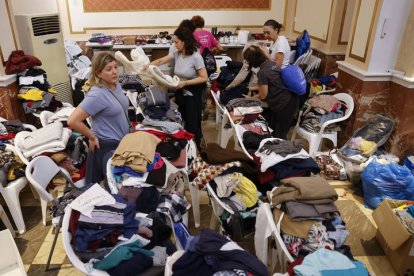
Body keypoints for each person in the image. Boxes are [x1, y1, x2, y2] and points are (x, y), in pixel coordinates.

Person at [68, 52, 130, 185]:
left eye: (115, 67)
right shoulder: (97, 94)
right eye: (109, 69)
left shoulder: (115, 85)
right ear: (98, 73)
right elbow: (73, 120)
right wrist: (91, 136)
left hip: (121, 143)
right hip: (107, 146)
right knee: (110, 188)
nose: (114, 72)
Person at [149, 27, 208, 149]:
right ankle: (186, 150)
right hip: (181, 92)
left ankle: (196, 150)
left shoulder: (196, 57)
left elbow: (204, 77)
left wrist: (186, 83)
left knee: (192, 125)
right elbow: (161, 61)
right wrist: (147, 65)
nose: (174, 44)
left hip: (193, 95)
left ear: (185, 41)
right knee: (181, 122)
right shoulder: (177, 53)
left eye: (176, 42)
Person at [243, 45, 298, 140]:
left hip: (284, 104)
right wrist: (254, 88)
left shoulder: (262, 72)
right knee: (274, 131)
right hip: (291, 99)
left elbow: (263, 95)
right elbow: (273, 83)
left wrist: (251, 98)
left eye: (248, 60)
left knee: (278, 135)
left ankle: (281, 152)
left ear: (253, 60)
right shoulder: (271, 64)